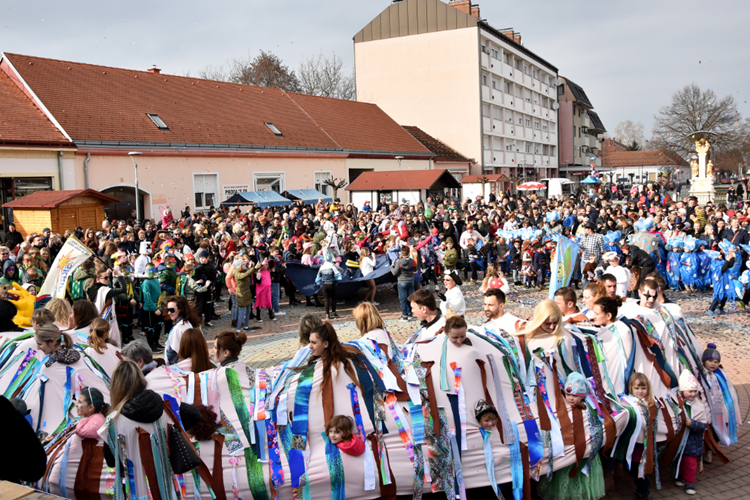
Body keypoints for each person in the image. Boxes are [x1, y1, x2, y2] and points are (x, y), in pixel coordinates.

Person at [537, 371, 605, 500]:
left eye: (575, 395)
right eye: (568, 394)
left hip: (583, 452)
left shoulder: (588, 409)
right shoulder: (562, 408)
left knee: (581, 481)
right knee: (564, 481)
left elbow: (596, 428)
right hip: (568, 452)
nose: (571, 398)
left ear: (582, 396)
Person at [674, 370, 707, 496]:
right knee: (681, 460)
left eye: (694, 391)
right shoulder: (678, 403)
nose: (692, 394)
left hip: (693, 441)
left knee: (691, 463)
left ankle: (689, 482)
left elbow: (704, 425)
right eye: (689, 391)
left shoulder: (699, 405)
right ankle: (680, 476)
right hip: (681, 440)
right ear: (682, 391)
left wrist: (692, 424)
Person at [624, 373, 657, 500]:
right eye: (637, 388)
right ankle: (644, 484)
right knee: (631, 467)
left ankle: (643, 492)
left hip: (643, 445)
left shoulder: (650, 403)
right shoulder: (628, 402)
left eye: (643, 388)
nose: (640, 391)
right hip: (632, 443)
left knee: (640, 469)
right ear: (631, 388)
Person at [164, 295, 201, 365]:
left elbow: (174, 352)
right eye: (168, 310)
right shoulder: (192, 324)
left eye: (172, 310)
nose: (169, 313)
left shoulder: (179, 328)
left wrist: (168, 367)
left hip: (181, 367)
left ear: (181, 309)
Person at [391, 245, 415, 321]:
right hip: (410, 281)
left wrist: (392, 267)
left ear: (402, 253)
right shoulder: (412, 261)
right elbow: (415, 269)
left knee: (403, 299)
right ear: (409, 253)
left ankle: (404, 316)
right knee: (409, 298)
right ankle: (410, 314)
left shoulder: (399, 262)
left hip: (402, 281)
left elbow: (394, 273)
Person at [316, 253, 342, 320]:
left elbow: (318, 278)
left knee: (326, 299)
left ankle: (327, 315)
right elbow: (338, 275)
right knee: (333, 298)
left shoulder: (322, 267)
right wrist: (336, 281)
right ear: (331, 259)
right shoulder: (332, 266)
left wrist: (320, 283)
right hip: (331, 284)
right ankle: (334, 312)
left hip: (324, 284)